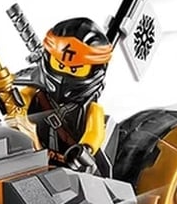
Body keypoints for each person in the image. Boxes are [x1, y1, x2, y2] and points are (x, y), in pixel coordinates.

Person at [17, 17, 113, 173]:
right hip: (33, 161)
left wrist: (84, 150)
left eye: (75, 69)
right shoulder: (37, 94)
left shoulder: (90, 109)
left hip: (71, 170)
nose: (63, 77)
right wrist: (14, 104)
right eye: (59, 65)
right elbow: (19, 102)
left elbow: (95, 132)